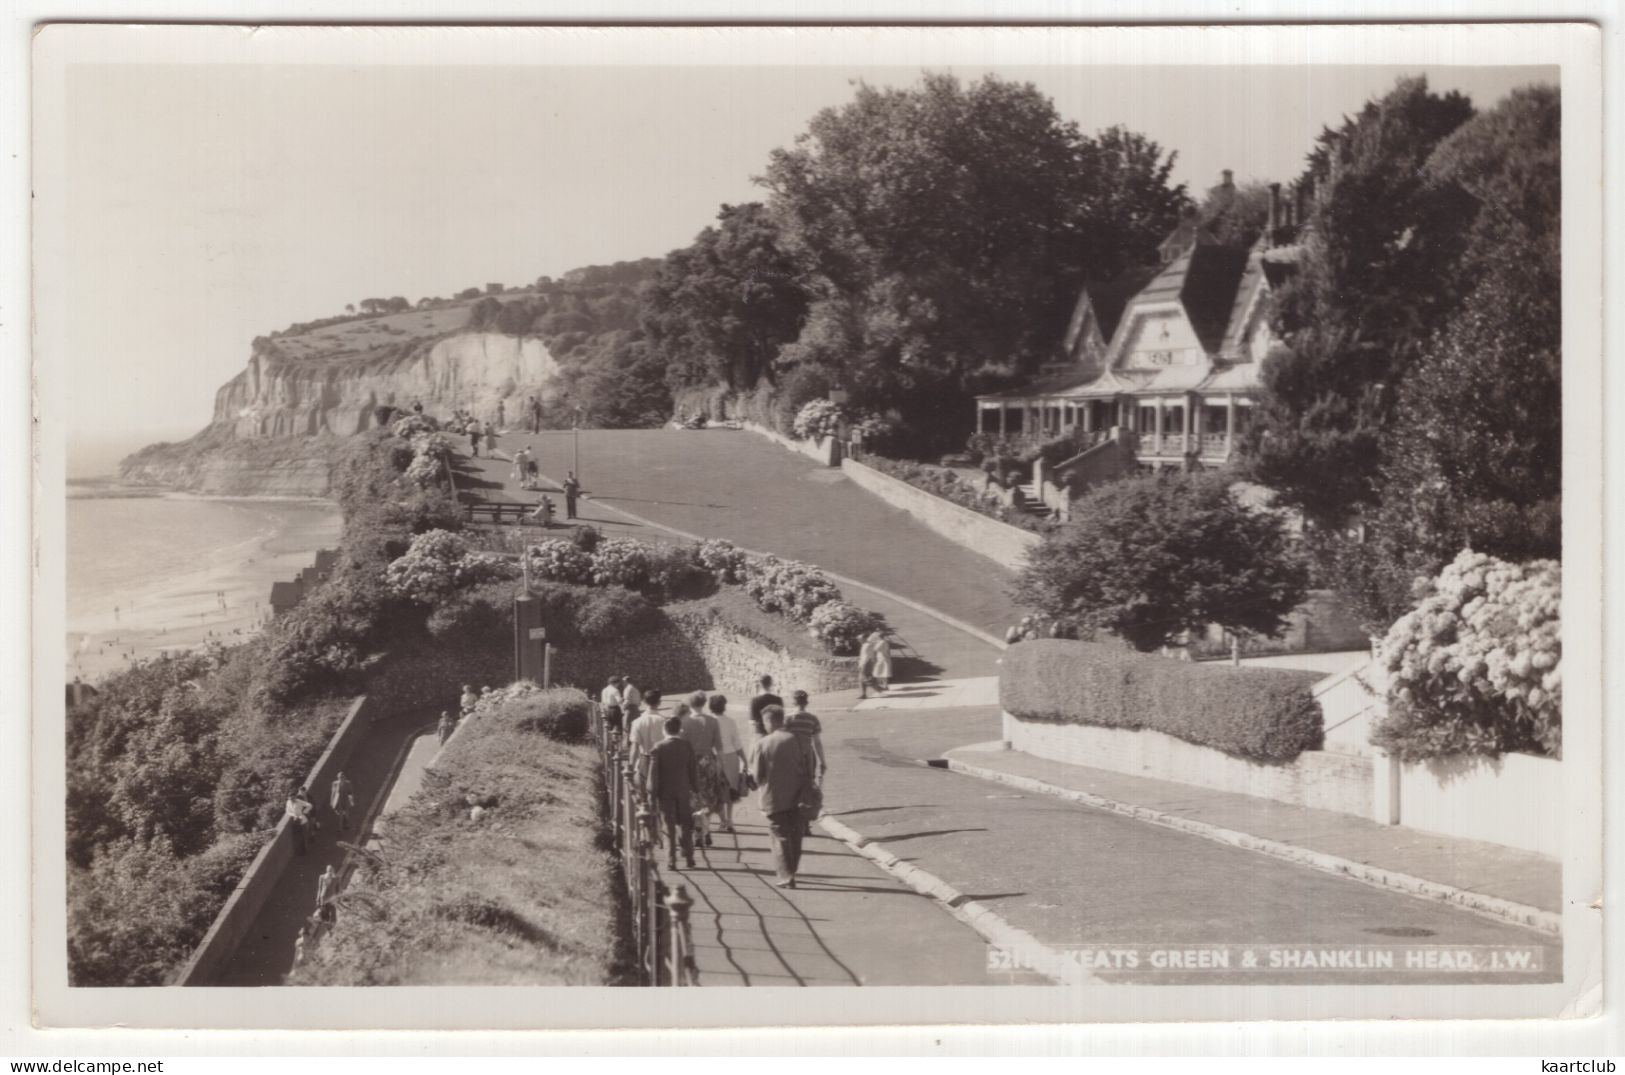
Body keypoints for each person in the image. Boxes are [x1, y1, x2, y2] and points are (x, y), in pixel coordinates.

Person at [751, 705, 814, 889]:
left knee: (779, 836)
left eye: (765, 722)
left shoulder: (763, 744)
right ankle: (791, 869)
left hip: (773, 797)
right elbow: (810, 766)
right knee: (796, 836)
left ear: (770, 721)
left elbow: (757, 776)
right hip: (798, 796)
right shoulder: (798, 740)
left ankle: (786, 876)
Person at [648, 715, 698, 870]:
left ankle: (671, 860)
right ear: (679, 730)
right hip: (683, 791)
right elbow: (692, 770)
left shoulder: (658, 747)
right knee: (685, 824)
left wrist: (652, 793)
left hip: (665, 793)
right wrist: (696, 789)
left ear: (664, 730)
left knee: (668, 825)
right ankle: (689, 857)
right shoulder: (687, 746)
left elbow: (653, 774)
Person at [680, 691, 725, 847]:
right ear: (703, 703)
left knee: (693, 799)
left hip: (691, 762)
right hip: (708, 761)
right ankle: (706, 830)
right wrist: (720, 764)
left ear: (690, 704)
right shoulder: (712, 721)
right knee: (708, 798)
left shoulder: (684, 722)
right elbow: (719, 746)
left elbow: (682, 747)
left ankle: (698, 831)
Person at [786, 690, 827, 834]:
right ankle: (806, 825)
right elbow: (817, 742)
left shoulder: (788, 719)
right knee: (807, 788)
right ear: (806, 702)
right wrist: (823, 761)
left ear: (793, 702)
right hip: (808, 757)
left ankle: (794, 822)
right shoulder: (813, 719)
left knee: (792, 788)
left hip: (792, 756)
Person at [710, 693, 745, 834]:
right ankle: (729, 820)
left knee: (717, 790)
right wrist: (744, 759)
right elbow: (737, 742)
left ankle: (722, 820)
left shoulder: (709, 721)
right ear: (724, 707)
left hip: (715, 757)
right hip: (731, 757)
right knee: (730, 791)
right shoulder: (730, 721)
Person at [626, 689, 667, 791]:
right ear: (659, 703)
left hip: (645, 759)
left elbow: (634, 748)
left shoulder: (637, 722)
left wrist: (630, 766)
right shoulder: (664, 721)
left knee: (644, 792)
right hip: (661, 761)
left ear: (644, 702)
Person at [285, 786, 315, 855]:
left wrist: (304, 812)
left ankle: (306, 850)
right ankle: (301, 850)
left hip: (303, 821)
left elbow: (310, 805)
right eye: (290, 798)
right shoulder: (288, 802)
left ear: (295, 797)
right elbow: (287, 811)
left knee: (304, 836)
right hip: (296, 821)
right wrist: (294, 815)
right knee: (298, 837)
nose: (292, 799)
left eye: (293, 798)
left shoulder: (299, 801)